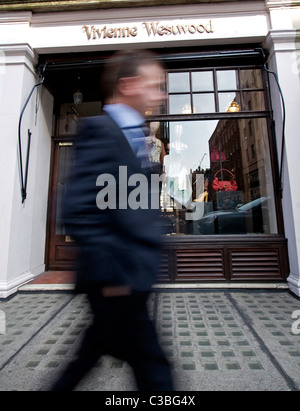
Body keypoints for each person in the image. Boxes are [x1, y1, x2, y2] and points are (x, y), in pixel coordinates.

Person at [50, 50, 174, 391]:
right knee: (154, 368)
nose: (160, 95)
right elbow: (79, 210)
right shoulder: (100, 130)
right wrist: (113, 280)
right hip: (118, 281)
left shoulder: (138, 135)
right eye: (154, 85)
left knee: (89, 357)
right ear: (129, 84)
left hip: (128, 280)